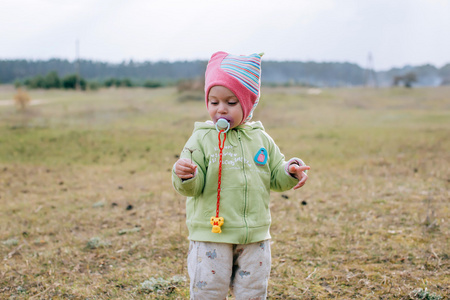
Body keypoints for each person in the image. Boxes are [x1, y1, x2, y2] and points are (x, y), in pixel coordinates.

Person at [172, 51, 310, 299]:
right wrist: (185, 176)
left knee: (253, 292)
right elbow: (192, 187)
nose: (221, 109)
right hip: (212, 235)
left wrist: (290, 170)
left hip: (254, 236)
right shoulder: (201, 139)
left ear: (247, 104)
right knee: (209, 291)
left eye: (231, 103)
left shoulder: (261, 139)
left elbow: (276, 176)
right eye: (214, 102)